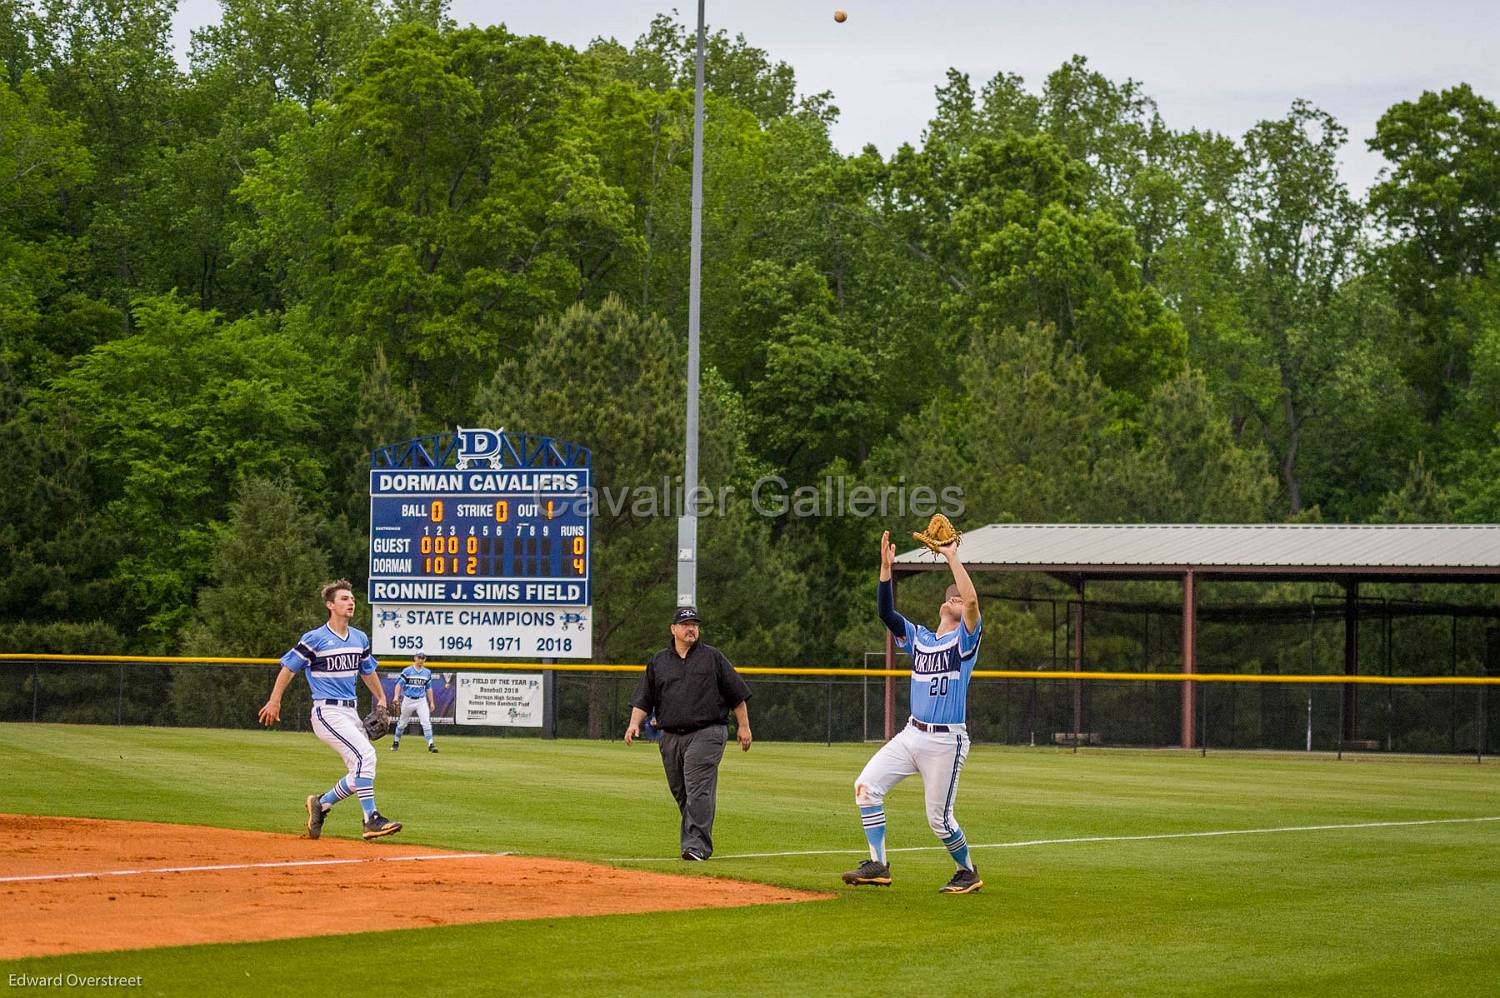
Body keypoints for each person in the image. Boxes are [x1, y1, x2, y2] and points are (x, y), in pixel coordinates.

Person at [843, 531, 983, 894]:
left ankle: (967, 871)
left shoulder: (963, 641)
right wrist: (885, 569)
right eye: (948, 595)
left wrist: (952, 556)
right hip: (911, 735)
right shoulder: (921, 638)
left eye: (955, 595)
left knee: (939, 820)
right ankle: (878, 864)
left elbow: (970, 602)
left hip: (945, 740)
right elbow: (885, 612)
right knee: (866, 787)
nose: (953, 598)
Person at [257, 579, 402, 841]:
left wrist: (381, 699)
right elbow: (289, 668)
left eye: (352, 599)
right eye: (344, 599)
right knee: (366, 757)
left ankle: (321, 804)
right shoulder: (315, 638)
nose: (351, 603)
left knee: (359, 769)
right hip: (327, 712)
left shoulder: (359, 638)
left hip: (351, 712)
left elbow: (367, 671)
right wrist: (275, 699)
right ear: (330, 605)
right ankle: (371, 819)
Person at [624, 606, 752, 861]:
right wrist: (634, 723)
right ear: (673, 629)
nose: (691, 628)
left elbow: (737, 695)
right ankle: (693, 840)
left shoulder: (712, 657)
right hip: (670, 736)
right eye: (685, 624)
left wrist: (744, 726)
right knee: (681, 791)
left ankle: (697, 846)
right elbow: (644, 698)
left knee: (697, 788)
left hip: (707, 732)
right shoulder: (659, 661)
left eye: (694, 624)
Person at [392, 652, 438, 753]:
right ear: (415, 658)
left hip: (421, 700)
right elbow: (399, 685)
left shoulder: (427, 672)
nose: (421, 660)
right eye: (419, 657)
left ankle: (431, 744)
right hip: (408, 700)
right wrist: (396, 696)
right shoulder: (407, 671)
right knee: (402, 724)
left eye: (423, 658)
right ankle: (396, 742)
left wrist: (432, 702)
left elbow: (429, 688)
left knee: (426, 722)